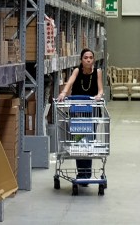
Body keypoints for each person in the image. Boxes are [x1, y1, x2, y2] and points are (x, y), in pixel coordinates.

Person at [57, 48, 103, 182]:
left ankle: (86, 174)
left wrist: (99, 96)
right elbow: (69, 83)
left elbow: (100, 89)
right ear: (81, 60)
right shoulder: (77, 71)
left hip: (92, 112)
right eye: (85, 58)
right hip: (77, 112)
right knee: (78, 142)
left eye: (90, 57)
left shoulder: (98, 72)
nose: (88, 60)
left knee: (88, 143)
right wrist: (63, 93)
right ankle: (81, 174)